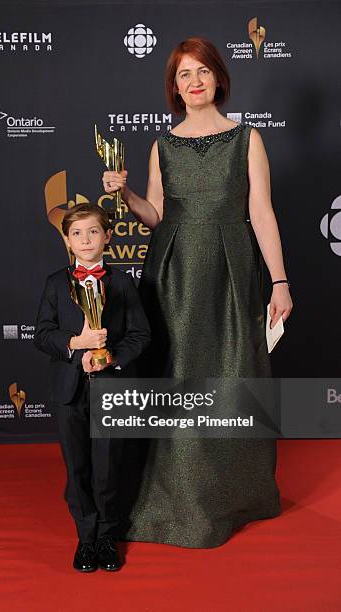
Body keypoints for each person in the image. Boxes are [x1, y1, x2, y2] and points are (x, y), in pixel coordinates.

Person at [102, 37, 293, 548]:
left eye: (203, 71)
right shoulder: (162, 145)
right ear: (174, 87)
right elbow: (156, 215)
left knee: (233, 371)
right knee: (178, 375)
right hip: (173, 273)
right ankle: (176, 499)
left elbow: (263, 214)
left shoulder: (247, 138)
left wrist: (279, 280)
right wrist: (125, 195)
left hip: (232, 268)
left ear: (218, 79)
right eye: (184, 74)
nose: (194, 81)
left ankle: (238, 494)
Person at [34, 203, 151, 569]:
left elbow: (140, 334)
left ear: (108, 237)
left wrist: (111, 357)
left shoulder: (122, 283)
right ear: (68, 241)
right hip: (71, 389)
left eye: (94, 232)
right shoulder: (55, 283)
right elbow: (42, 334)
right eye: (77, 234)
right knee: (79, 467)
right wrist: (76, 346)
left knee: (108, 466)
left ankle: (106, 537)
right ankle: (85, 538)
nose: (86, 240)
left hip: (111, 387)